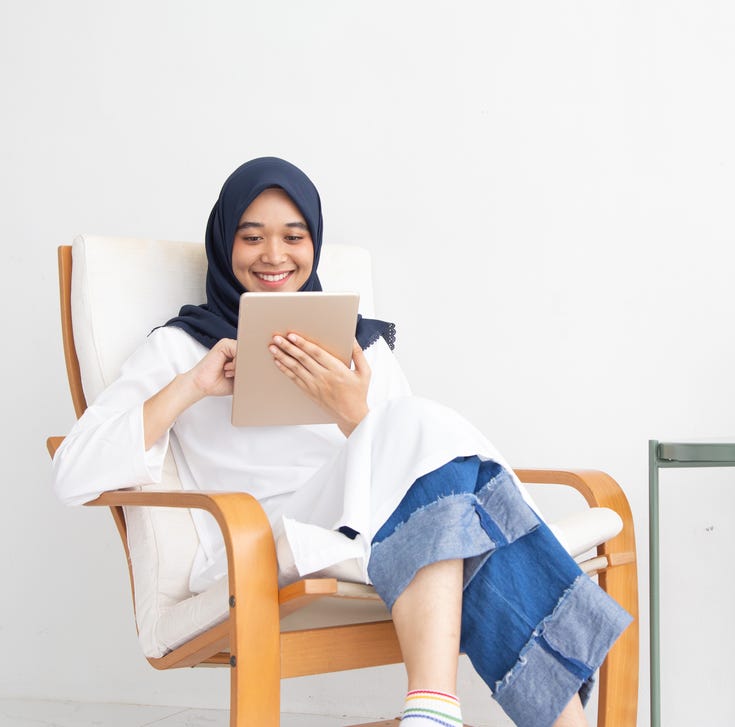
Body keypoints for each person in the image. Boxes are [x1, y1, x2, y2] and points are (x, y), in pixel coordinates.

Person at [52, 157, 631, 727]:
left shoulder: (360, 348)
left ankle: (436, 711)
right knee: (438, 454)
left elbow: (430, 469)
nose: (274, 256)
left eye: (293, 236)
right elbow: (73, 473)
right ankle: (446, 708)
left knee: (442, 471)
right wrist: (192, 387)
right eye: (251, 237)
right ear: (225, 244)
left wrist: (353, 413)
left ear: (315, 243)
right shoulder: (182, 346)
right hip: (260, 536)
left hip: (373, 522)